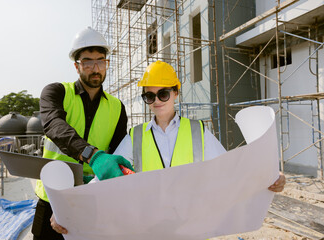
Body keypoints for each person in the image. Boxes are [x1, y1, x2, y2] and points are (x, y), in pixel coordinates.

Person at [51, 61, 286, 235]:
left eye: (163, 94)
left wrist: (267, 179)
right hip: (149, 230)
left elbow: (231, 172)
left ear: (175, 92)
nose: (157, 101)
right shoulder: (135, 136)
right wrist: (67, 210)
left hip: (193, 229)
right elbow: (106, 178)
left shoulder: (198, 131)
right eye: (149, 96)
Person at [31, 27, 133, 240]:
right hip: (52, 199)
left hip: (92, 198)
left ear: (106, 64)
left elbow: (117, 150)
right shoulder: (56, 92)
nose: (95, 68)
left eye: (101, 61)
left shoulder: (117, 107)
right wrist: (93, 155)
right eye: (87, 62)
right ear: (77, 66)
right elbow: (54, 125)